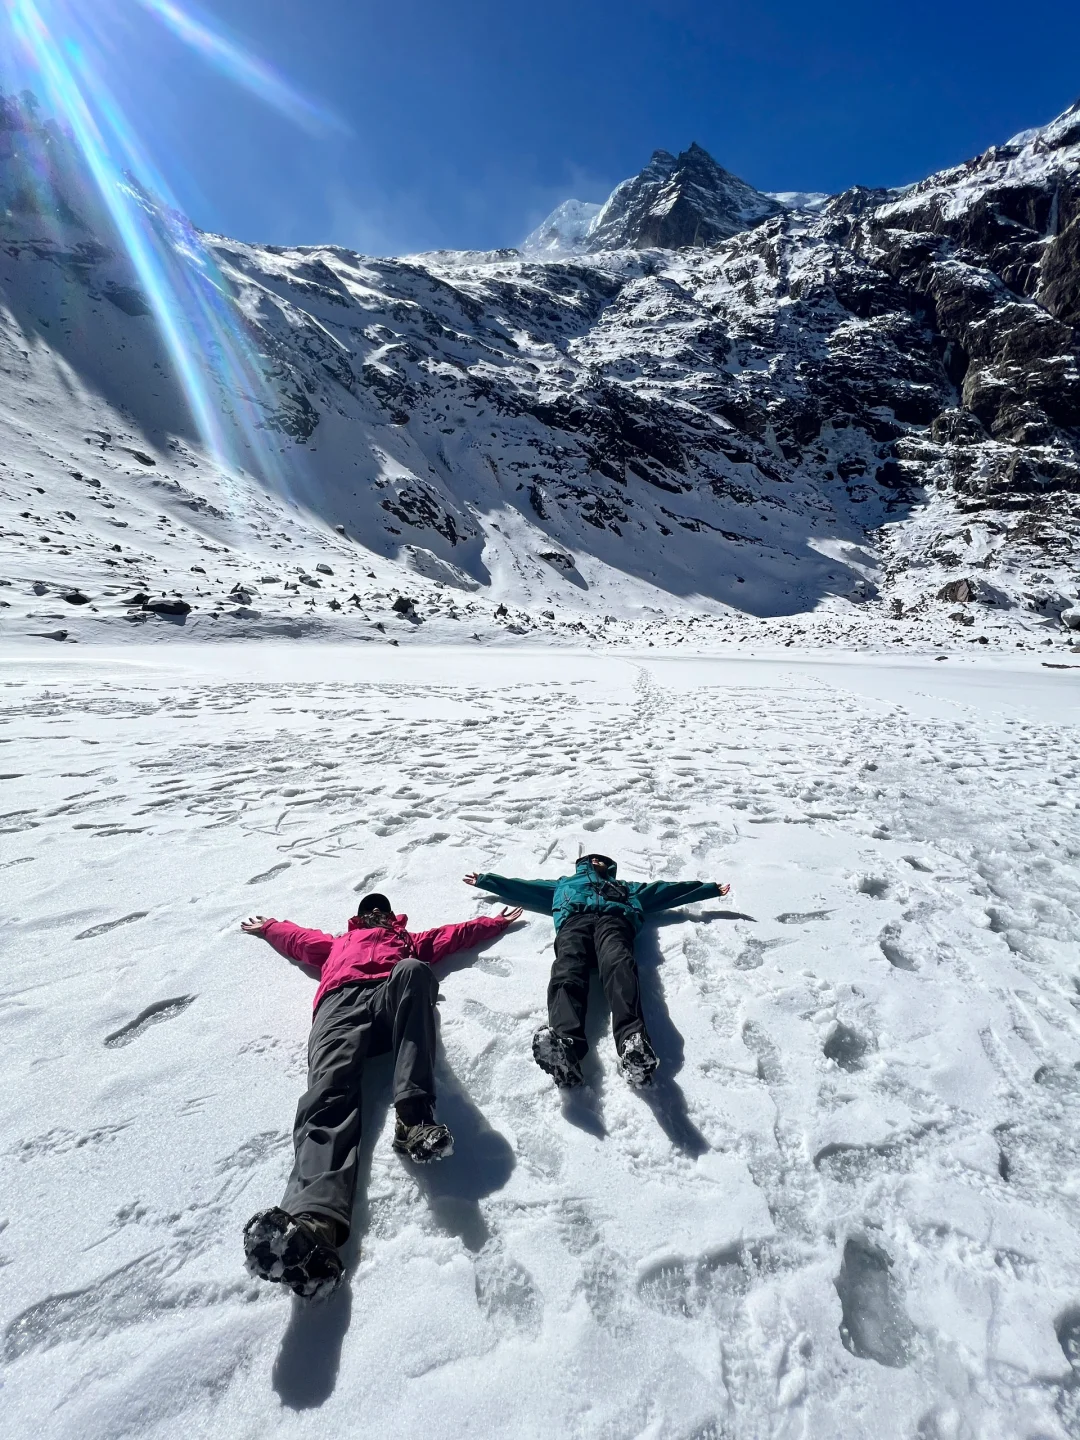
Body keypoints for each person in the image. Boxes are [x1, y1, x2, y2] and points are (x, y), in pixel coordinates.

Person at [239, 891, 521, 1298]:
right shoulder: (338, 943)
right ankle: (312, 1226)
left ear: (391, 917)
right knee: (328, 1094)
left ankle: (413, 1119)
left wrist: (493, 923)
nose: (376, 912)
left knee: (414, 970)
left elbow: (453, 935)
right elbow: (299, 940)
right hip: (339, 1004)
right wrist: (269, 927)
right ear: (358, 917)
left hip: (390, 996)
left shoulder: (407, 941)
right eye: (369, 909)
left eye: (382, 909)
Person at [465, 856, 729, 1090]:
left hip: (615, 923)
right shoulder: (563, 884)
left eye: (602, 861)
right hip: (574, 924)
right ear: (582, 865)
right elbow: (523, 887)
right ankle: (565, 1045)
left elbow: (665, 891)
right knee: (567, 970)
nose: (596, 862)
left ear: (609, 868)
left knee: (620, 965)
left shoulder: (627, 888)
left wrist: (709, 890)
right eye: (592, 860)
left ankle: (632, 1043)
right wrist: (487, 880)